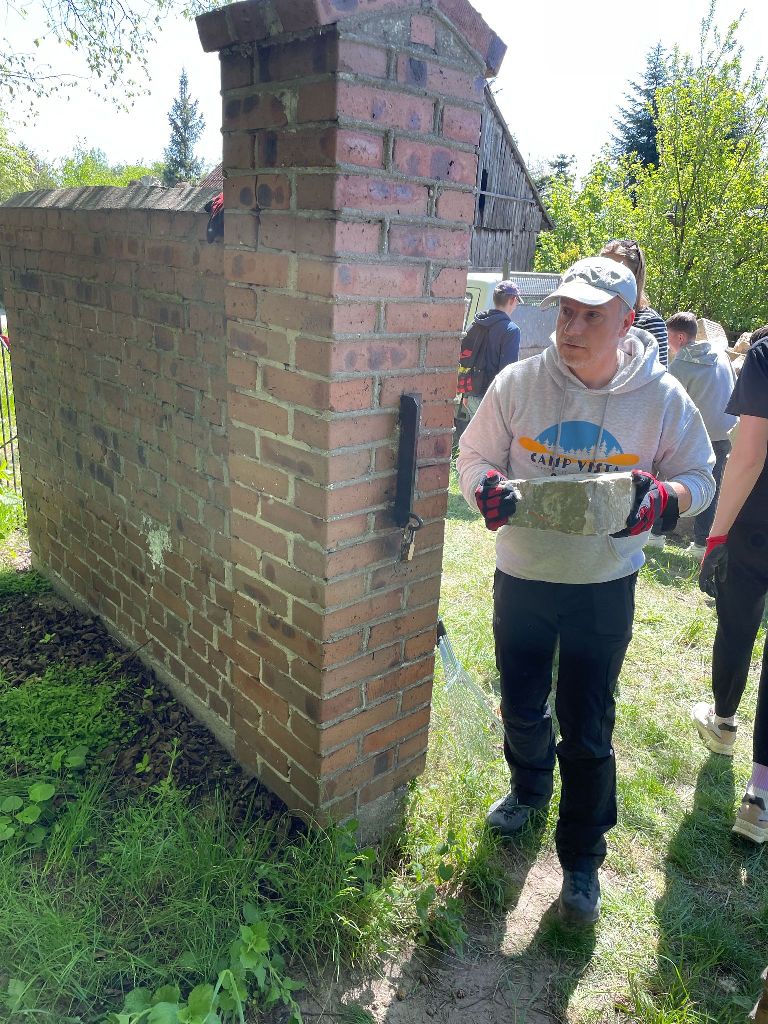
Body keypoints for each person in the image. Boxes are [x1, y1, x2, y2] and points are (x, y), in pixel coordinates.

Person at [457, 256, 714, 927]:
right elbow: (474, 454)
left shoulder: (659, 397)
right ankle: (528, 787)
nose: (569, 326)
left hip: (603, 586)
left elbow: (699, 475)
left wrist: (667, 498)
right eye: (565, 311)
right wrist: (482, 488)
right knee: (520, 703)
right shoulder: (518, 384)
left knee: (589, 726)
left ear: (626, 321)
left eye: (590, 316)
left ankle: (580, 861)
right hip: (524, 576)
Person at [695, 325, 768, 844]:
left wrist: (716, 535)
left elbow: (746, 456)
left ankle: (722, 720)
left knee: (737, 624)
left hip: (755, 526)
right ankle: (760, 796)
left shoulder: (764, 356)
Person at [666, 312, 737, 557]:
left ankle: (655, 533)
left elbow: (671, 406)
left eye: (669, 338)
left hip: (698, 436)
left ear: (681, 337)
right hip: (725, 432)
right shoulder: (721, 354)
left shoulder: (680, 365)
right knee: (713, 485)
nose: (668, 343)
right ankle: (700, 544)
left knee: (670, 475)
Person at [456, 280, 522, 421]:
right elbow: (508, 372)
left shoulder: (475, 324)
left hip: (472, 395)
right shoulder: (511, 330)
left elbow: (466, 359)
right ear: (512, 299)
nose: (516, 305)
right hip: (494, 401)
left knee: (476, 441)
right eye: (517, 301)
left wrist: (466, 395)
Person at [600, 239, 669, 368]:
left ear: (635, 276)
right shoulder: (589, 316)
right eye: (600, 270)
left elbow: (658, 379)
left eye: (615, 273)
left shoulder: (650, 322)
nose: (605, 279)